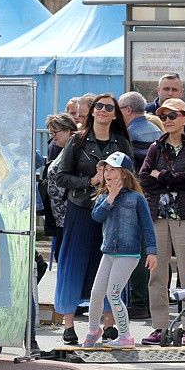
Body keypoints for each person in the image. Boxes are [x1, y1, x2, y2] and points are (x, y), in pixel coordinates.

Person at [54, 93, 132, 345]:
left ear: (115, 114)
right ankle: (68, 324)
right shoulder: (77, 141)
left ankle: (109, 323)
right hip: (80, 209)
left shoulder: (120, 142)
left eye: (109, 107)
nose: (103, 110)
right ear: (92, 111)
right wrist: (91, 181)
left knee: (109, 263)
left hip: (112, 211)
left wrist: (112, 182)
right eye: (99, 106)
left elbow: (132, 177)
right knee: (73, 264)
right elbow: (61, 176)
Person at [138, 98, 185, 346]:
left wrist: (163, 176)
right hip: (159, 218)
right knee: (156, 274)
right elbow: (144, 178)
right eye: (163, 116)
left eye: (172, 116)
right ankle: (159, 327)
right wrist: (175, 177)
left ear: (184, 118)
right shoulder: (155, 147)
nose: (167, 120)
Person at [82, 151, 157, 349]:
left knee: (113, 293)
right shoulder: (104, 197)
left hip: (128, 253)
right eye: (106, 169)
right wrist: (111, 197)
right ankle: (93, 330)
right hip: (109, 252)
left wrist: (152, 251)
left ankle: (125, 336)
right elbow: (96, 217)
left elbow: (147, 226)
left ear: (124, 174)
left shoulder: (136, 199)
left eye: (113, 169)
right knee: (97, 293)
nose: (107, 173)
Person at [118, 91, 162, 318]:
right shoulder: (156, 129)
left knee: (137, 249)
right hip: (155, 196)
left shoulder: (129, 134)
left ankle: (138, 301)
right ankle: (146, 299)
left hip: (136, 196)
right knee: (150, 248)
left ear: (127, 110)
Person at [40, 113, 78, 259]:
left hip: (69, 214)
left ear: (68, 130)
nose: (53, 136)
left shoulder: (74, 149)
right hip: (60, 216)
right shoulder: (65, 149)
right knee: (60, 255)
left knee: (64, 256)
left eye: (55, 132)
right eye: (51, 132)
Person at [119, 91, 162, 172]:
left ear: (128, 110)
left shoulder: (128, 133)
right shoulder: (158, 129)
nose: (117, 113)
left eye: (119, 109)